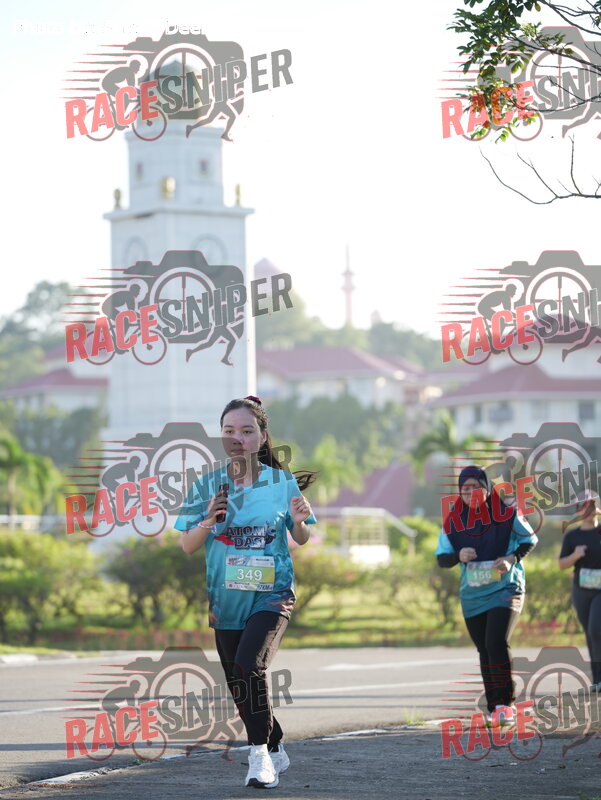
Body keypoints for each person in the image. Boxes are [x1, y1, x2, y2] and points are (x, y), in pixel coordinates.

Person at [174, 395, 317, 788]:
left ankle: (259, 758)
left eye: (247, 430)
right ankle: (274, 743)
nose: (237, 438)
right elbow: (187, 545)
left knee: (249, 665)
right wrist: (208, 520)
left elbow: (301, 536)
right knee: (239, 683)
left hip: (273, 594)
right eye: (229, 431)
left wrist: (300, 522)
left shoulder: (281, 482)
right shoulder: (206, 484)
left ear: (262, 436)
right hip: (226, 599)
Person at [435, 465, 538, 725]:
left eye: (476, 487)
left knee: (495, 642)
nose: (471, 492)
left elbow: (529, 540)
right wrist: (458, 556)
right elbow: (442, 558)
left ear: (487, 488)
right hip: (473, 595)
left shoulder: (507, 513)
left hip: (506, 588)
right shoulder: (453, 521)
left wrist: (511, 558)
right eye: (465, 488)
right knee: (484, 649)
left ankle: (506, 705)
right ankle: (494, 707)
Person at [559, 491, 601, 690]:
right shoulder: (572, 536)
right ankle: (597, 680)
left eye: (592, 505)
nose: (590, 510)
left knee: (596, 629)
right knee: (590, 635)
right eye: (585, 507)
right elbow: (562, 564)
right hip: (581, 591)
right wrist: (575, 555)